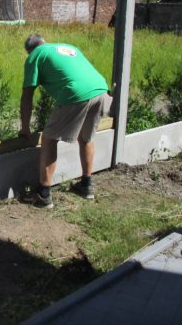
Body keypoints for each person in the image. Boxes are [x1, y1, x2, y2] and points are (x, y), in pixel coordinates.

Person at [19, 34, 112, 208]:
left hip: (76, 93)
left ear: (29, 50)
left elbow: (27, 96)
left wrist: (25, 129)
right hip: (100, 89)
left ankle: (43, 194)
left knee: (49, 138)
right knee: (86, 138)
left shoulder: (35, 56)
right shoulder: (66, 47)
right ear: (44, 42)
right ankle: (86, 185)